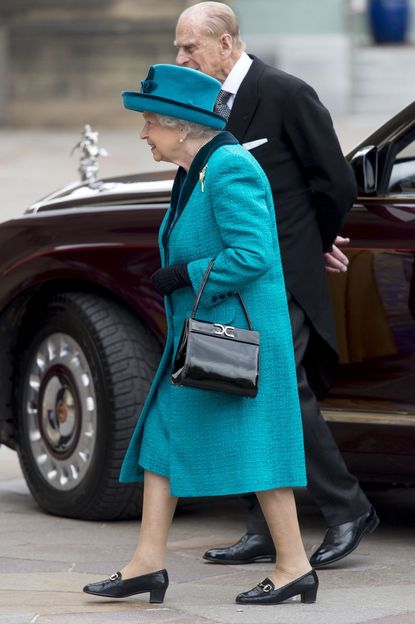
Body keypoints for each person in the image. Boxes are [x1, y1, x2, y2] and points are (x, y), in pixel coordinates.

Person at [82, 63, 319, 606]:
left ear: (181, 125)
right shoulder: (197, 170)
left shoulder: (230, 167)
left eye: (149, 123)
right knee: (162, 437)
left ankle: (294, 565)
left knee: (259, 448)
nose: (143, 134)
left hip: (235, 338)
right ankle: (147, 562)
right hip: (207, 332)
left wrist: (186, 276)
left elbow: (255, 255)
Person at [174, 1, 379, 569]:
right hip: (231, 278)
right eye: (178, 47)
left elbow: (336, 181)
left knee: (278, 389)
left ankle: (346, 509)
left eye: (189, 47)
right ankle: (262, 527)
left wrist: (314, 241)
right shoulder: (199, 105)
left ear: (226, 44)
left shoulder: (286, 92)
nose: (181, 56)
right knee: (238, 385)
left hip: (283, 273)